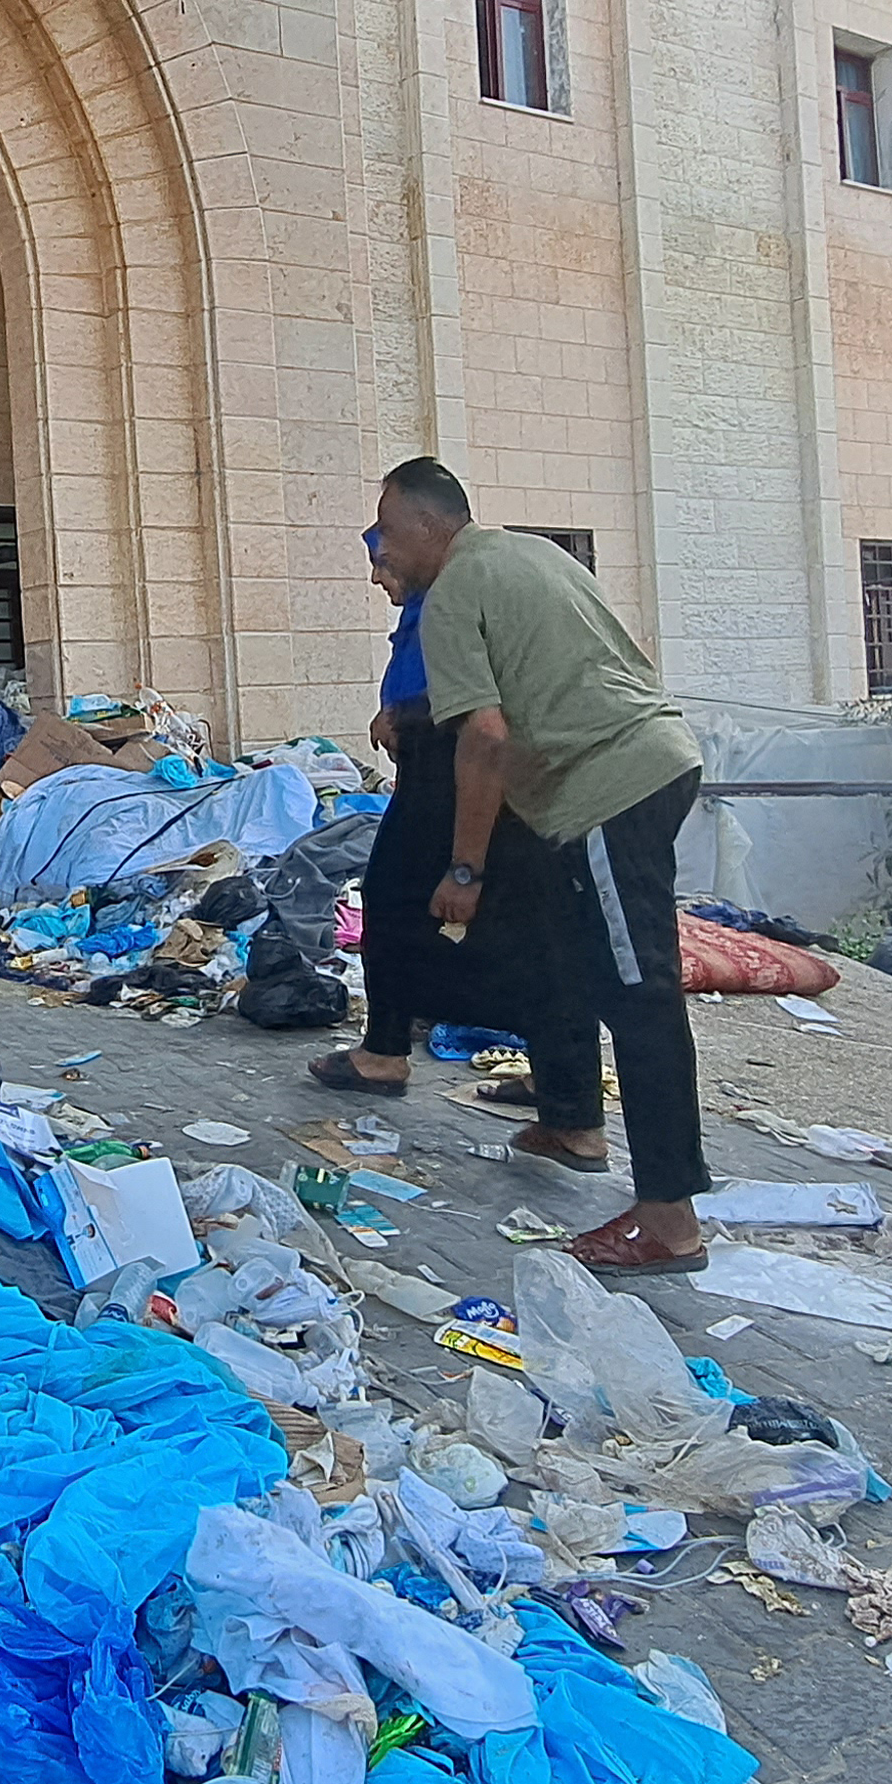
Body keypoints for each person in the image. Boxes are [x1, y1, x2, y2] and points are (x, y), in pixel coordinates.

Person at [367, 456, 714, 1274]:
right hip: (643, 763)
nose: (381, 545)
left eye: (386, 526)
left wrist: (463, 870)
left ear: (425, 523)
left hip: (608, 788)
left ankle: (668, 1219)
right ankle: (570, 1124)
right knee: (575, 957)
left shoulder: (450, 594)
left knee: (639, 994)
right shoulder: (529, 554)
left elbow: (484, 739)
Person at [306, 522, 529, 1098]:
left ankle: (385, 1051)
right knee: (477, 913)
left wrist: (405, 718)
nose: (378, 578)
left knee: (398, 896)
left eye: (384, 563)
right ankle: (563, 1093)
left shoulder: (453, 600)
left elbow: (477, 705)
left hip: (456, 772)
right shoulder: (427, 608)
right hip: (440, 770)